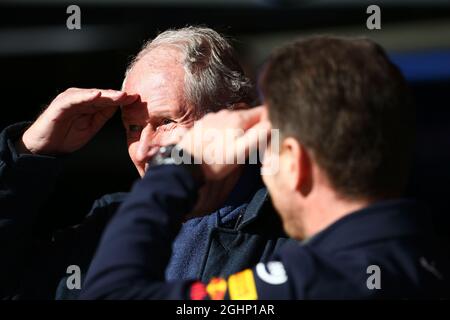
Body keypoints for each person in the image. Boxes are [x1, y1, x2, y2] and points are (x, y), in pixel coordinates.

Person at [81, 36, 448, 299]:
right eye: (132, 128)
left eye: (266, 148)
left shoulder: (305, 281)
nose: (262, 162)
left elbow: (111, 292)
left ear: (295, 161)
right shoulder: (423, 259)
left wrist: (176, 168)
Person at [0, 27, 288, 299]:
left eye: (165, 122)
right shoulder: (110, 224)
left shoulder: (293, 224)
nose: (143, 150)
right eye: (133, 129)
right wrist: (28, 154)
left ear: (235, 121)